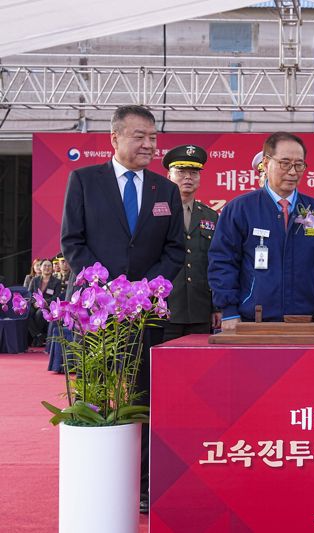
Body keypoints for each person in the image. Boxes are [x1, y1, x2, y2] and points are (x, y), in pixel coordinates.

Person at [60, 104, 184, 513]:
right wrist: (108, 291)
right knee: (98, 391)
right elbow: (73, 243)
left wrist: (144, 291)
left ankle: (143, 484)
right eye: (139, 136)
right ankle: (101, 476)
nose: (149, 144)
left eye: (153, 137)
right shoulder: (84, 181)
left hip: (144, 315)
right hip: (97, 316)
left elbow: (174, 251)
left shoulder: (164, 190)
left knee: (144, 396)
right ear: (115, 138)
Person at [208, 132, 314, 331]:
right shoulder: (240, 208)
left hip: (305, 322)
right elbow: (222, 261)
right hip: (251, 321)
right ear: (266, 162)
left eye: (299, 165)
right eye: (285, 163)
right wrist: (229, 311)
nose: (293, 171)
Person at [161, 144, 221, 341]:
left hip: (200, 308)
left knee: (198, 368)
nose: (188, 177)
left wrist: (216, 307)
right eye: (181, 171)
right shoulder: (155, 212)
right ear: (169, 176)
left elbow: (216, 264)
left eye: (194, 172)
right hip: (164, 308)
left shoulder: (211, 216)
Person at [27, 259, 61, 347]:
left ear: (52, 268)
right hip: (35, 304)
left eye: (49, 266)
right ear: (41, 268)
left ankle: (37, 338)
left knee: (40, 313)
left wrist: (45, 302)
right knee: (27, 312)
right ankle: (38, 335)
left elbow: (56, 296)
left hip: (48, 305)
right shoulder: (34, 280)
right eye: (45, 265)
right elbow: (29, 294)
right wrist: (35, 302)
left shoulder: (57, 281)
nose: (47, 268)